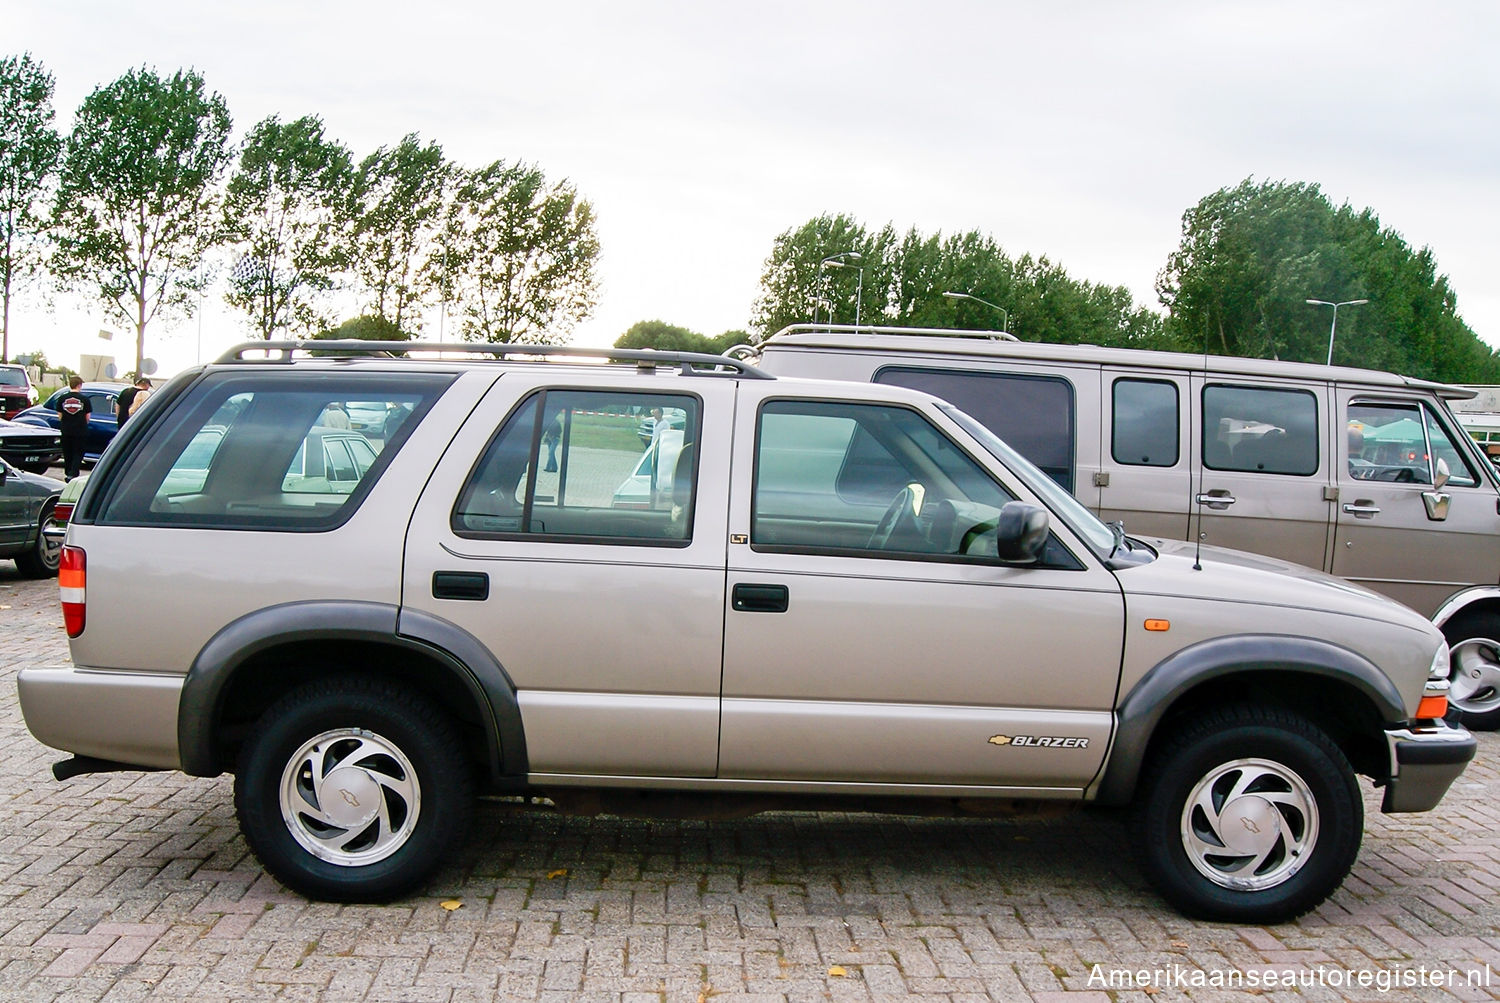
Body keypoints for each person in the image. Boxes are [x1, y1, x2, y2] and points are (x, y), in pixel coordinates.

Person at [55, 375, 91, 479]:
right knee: (78, 452)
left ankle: (67, 472)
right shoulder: (84, 399)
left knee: (67, 452)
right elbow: (87, 417)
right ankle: (73, 473)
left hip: (66, 430)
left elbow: (60, 415)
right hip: (80, 430)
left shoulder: (62, 398)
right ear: (79, 385)